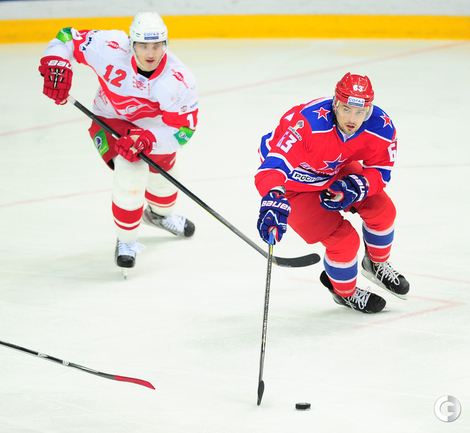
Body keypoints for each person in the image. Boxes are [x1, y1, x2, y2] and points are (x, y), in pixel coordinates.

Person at [39, 12, 198, 272]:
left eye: (157, 45)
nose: (150, 53)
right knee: (130, 172)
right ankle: (127, 242)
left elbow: (182, 132)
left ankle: (157, 216)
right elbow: (67, 37)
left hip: (155, 130)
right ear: (131, 44)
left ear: (165, 44)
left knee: (166, 181)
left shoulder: (179, 81)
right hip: (110, 119)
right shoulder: (109, 47)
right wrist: (57, 62)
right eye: (143, 45)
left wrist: (148, 139)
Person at [255, 72, 409, 313]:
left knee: (383, 211)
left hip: (332, 168)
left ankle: (376, 264)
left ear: (369, 110)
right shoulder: (307, 123)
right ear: (335, 104)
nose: (352, 119)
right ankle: (344, 292)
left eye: (360, 112)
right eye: (346, 109)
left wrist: (357, 186)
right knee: (345, 242)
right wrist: (273, 196)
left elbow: (381, 170)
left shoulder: (381, 126)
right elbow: (272, 167)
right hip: (294, 184)